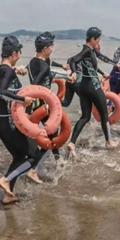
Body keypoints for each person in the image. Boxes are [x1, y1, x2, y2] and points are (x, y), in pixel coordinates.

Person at [0, 36, 37, 204]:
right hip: (10, 125)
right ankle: (5, 180)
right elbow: (2, 92)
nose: (20, 55)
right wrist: (22, 100)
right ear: (14, 53)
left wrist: (16, 70)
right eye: (19, 52)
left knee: (19, 157)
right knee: (34, 156)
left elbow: (6, 82)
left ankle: (8, 195)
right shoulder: (7, 71)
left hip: (2, 124)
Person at [67, 27, 120, 157]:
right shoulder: (86, 50)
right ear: (92, 39)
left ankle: (72, 143)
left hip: (83, 87)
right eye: (98, 39)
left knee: (85, 117)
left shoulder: (90, 51)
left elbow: (100, 58)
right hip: (93, 86)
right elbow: (73, 60)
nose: (99, 41)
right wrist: (74, 72)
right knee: (104, 114)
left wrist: (113, 65)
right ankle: (109, 142)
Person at [27, 32, 71, 173]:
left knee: (52, 135)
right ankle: (34, 169)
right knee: (52, 137)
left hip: (36, 104)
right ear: (45, 48)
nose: (52, 49)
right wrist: (46, 100)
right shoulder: (44, 66)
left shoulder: (33, 62)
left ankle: (57, 160)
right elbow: (35, 85)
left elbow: (48, 67)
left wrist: (63, 70)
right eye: (51, 46)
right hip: (43, 105)